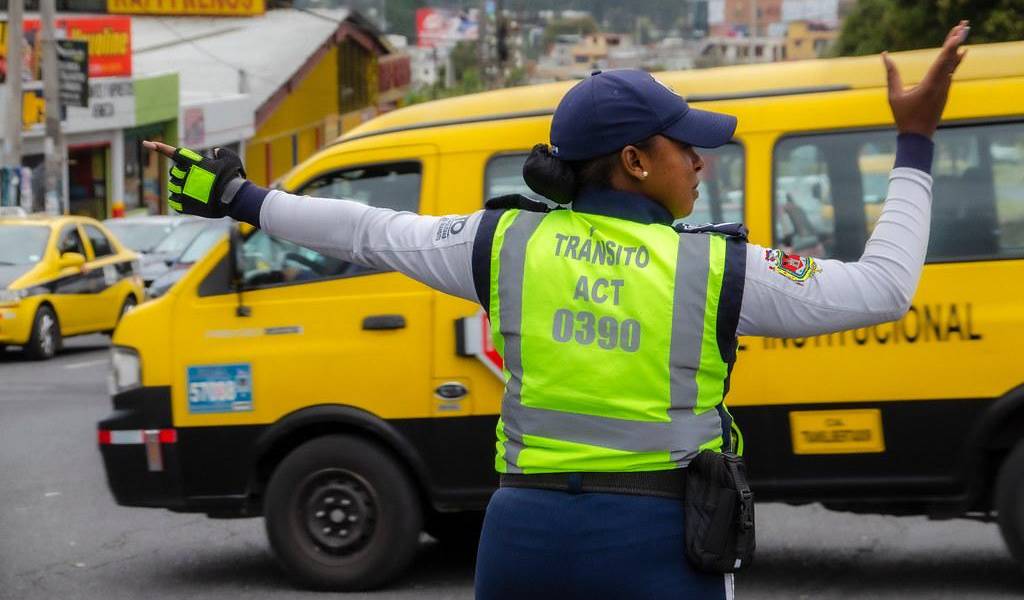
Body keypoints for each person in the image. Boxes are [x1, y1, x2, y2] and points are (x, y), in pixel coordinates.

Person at [145, 21, 968, 599]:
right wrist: (916, 141)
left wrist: (238, 195)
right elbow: (885, 287)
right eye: (688, 147)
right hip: (660, 549)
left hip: (520, 543)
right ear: (637, 162)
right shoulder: (713, 268)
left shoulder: (506, 245)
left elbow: (366, 229)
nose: (702, 163)